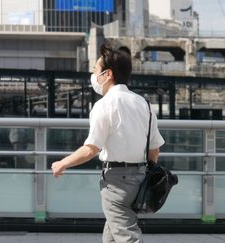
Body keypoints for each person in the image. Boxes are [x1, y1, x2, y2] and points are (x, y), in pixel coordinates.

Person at [51, 43, 165, 243]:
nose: (93, 75)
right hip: (140, 178)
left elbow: (91, 149)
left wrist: (62, 163)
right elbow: (154, 150)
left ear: (108, 74)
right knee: (112, 235)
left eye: (95, 70)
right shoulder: (144, 104)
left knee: (128, 237)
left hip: (116, 182)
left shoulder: (104, 105)